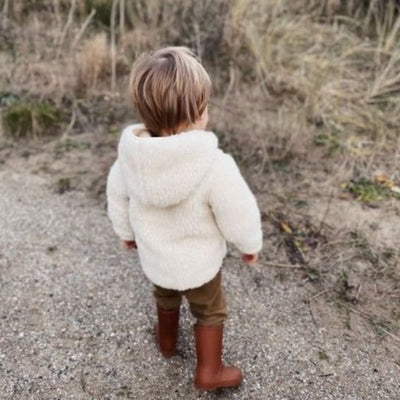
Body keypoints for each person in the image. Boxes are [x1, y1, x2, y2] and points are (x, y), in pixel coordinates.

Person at [106, 46, 263, 390]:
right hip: (200, 267)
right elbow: (238, 211)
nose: (207, 112)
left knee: (165, 296)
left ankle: (166, 343)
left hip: (156, 260)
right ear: (195, 114)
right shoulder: (213, 164)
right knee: (210, 310)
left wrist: (126, 232)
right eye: (204, 106)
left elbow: (116, 195)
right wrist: (249, 244)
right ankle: (209, 372)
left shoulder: (131, 157)